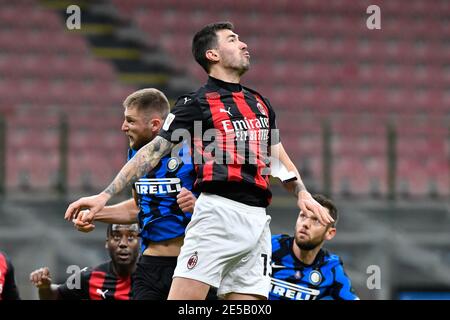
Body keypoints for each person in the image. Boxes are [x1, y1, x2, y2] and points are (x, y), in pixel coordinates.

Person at [65, 22, 334, 300]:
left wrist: (303, 193)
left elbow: (278, 159)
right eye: (232, 40)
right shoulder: (196, 102)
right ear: (212, 55)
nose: (243, 44)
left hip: (257, 221)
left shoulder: (261, 103)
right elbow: (153, 151)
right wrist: (104, 196)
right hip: (218, 214)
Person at [73, 88, 215, 299]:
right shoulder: (136, 156)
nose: (123, 127)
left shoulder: (195, 152)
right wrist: (95, 213)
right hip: (150, 266)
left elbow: (224, 209)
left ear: (155, 125)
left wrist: (198, 205)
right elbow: (138, 207)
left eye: (130, 121)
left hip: (192, 263)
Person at [270, 194, 358, 300]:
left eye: (317, 220)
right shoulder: (269, 246)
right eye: (303, 216)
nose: (306, 224)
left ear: (330, 233)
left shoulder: (331, 267)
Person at [29, 224, 139, 300]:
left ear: (141, 242)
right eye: (116, 237)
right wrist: (45, 288)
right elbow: (55, 295)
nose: (123, 243)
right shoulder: (89, 277)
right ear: (107, 243)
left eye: (131, 237)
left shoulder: (154, 277)